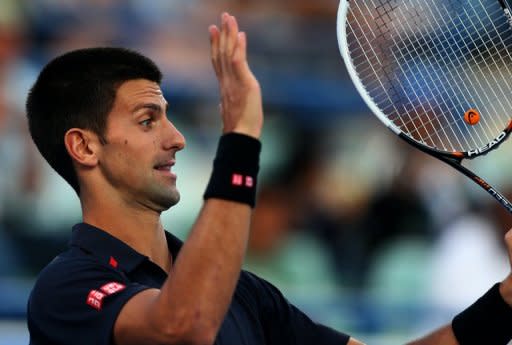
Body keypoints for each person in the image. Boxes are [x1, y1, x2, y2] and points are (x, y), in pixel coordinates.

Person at [25, 12, 512, 345]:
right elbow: (184, 326)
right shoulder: (67, 287)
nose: (176, 138)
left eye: (168, 117)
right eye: (148, 120)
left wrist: (507, 300)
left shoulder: (246, 294)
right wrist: (240, 140)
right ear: (83, 146)